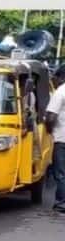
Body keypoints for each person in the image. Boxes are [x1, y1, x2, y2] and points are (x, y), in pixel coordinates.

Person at [45, 67, 65, 212]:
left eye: (56, 78)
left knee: (61, 172)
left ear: (61, 77)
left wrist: (48, 129)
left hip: (62, 138)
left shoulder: (61, 92)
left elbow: (51, 117)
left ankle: (62, 202)